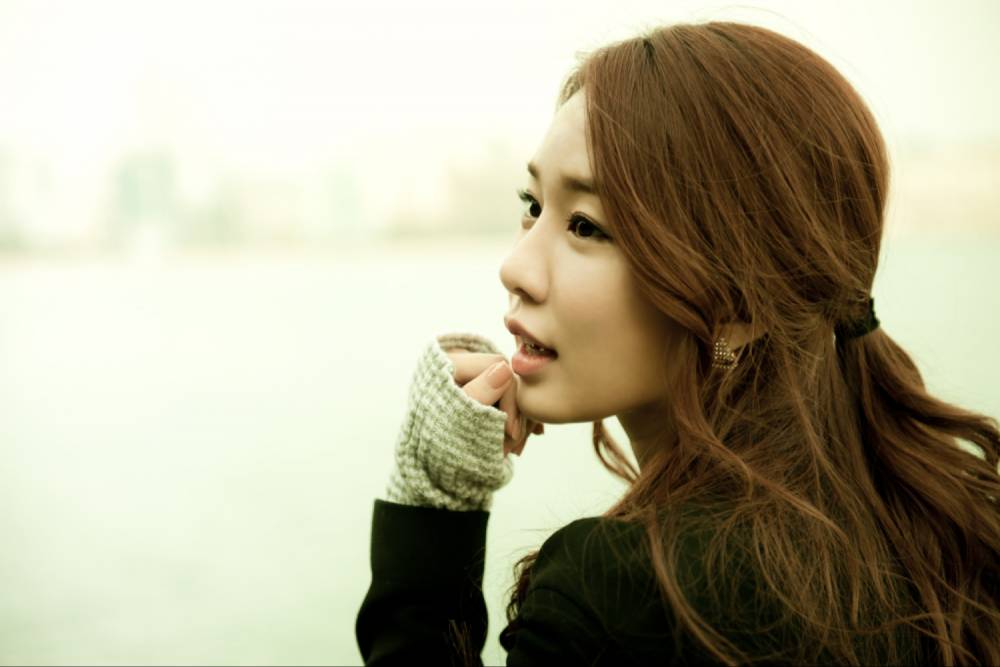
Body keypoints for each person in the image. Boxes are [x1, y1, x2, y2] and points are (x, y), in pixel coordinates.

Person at [355, 20, 1000, 666]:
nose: (515, 268)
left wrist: (435, 494)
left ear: (740, 304)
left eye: (586, 225)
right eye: (532, 204)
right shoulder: (948, 535)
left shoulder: (618, 598)